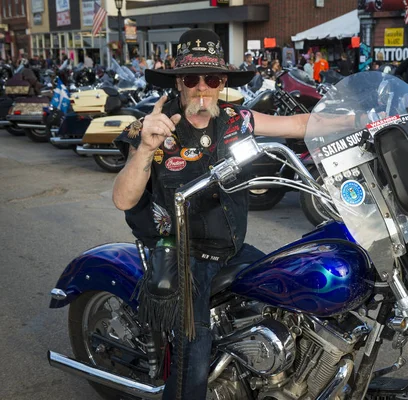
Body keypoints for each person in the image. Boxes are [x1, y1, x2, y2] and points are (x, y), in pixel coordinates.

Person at [112, 28, 311, 400]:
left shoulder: (235, 120)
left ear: (222, 83)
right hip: (181, 257)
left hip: (230, 248)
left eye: (213, 78)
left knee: (291, 287)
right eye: (192, 78)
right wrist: (144, 148)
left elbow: (298, 125)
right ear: (179, 83)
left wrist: (365, 120)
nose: (202, 88)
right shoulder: (152, 128)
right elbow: (123, 199)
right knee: (194, 356)